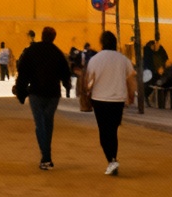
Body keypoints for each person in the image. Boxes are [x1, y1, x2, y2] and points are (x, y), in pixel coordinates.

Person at [14, 25, 71, 170]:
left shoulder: (31, 50)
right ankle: (46, 156)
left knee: (40, 124)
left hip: (36, 92)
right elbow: (65, 72)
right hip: (53, 94)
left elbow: (23, 72)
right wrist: (67, 86)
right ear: (54, 38)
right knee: (48, 123)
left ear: (42, 35)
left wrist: (21, 91)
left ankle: (46, 157)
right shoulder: (57, 52)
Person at [82, 31, 136, 176]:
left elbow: (89, 81)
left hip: (99, 99)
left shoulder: (95, 60)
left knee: (104, 131)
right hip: (118, 100)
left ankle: (111, 160)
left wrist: (87, 92)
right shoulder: (123, 59)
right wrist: (131, 95)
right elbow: (131, 79)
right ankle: (113, 159)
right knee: (113, 131)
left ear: (102, 43)